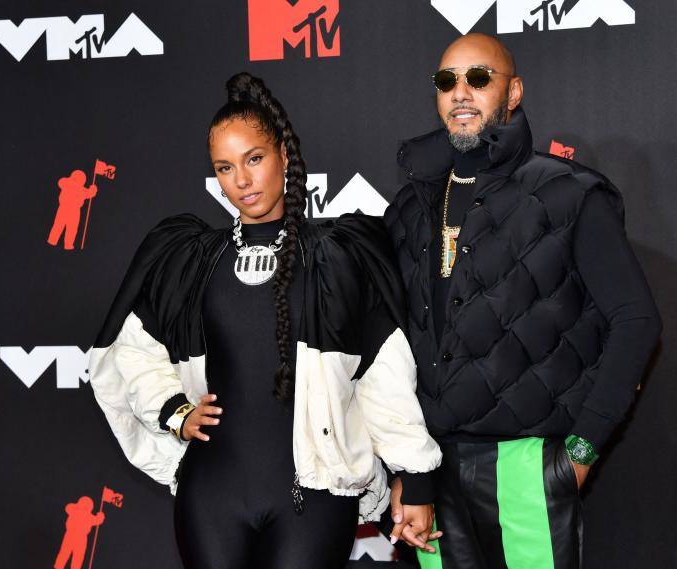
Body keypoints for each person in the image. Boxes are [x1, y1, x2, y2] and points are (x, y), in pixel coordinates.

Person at [89, 73, 442, 569]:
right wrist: (174, 410)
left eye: (253, 159)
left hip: (314, 497)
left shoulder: (337, 256)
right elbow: (132, 348)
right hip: (211, 492)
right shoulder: (192, 259)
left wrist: (417, 476)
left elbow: (382, 374)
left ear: (282, 155)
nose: (242, 180)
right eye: (225, 167)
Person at [384, 33, 662, 568]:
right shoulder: (411, 206)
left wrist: (579, 454)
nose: (460, 92)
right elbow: (390, 343)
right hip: (429, 465)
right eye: (447, 81)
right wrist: (404, 470)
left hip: (527, 464)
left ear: (513, 93)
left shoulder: (569, 192)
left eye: (479, 78)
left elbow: (636, 320)